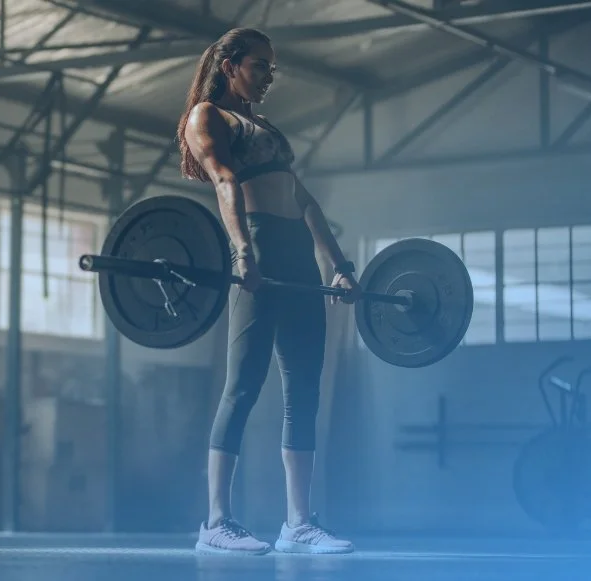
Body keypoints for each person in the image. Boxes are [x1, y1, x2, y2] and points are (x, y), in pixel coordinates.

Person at [177, 28, 361, 555]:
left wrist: (340, 266)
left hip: (297, 254)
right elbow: (224, 182)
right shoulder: (207, 117)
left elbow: (305, 201)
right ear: (230, 64)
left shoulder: (269, 129)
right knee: (244, 385)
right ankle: (215, 523)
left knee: (304, 386)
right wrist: (242, 252)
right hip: (256, 244)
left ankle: (298, 524)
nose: (267, 78)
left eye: (272, 70)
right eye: (260, 67)